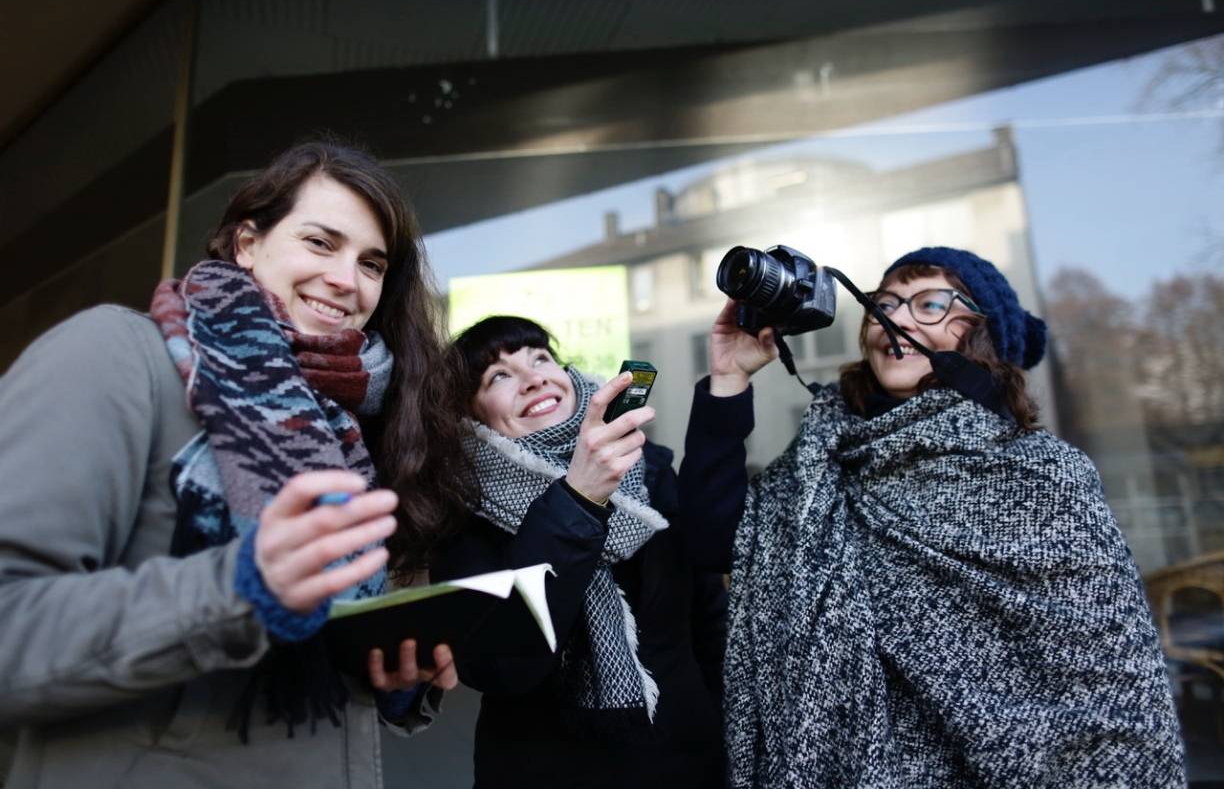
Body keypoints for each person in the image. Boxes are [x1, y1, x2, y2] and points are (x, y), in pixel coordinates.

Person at [0, 141, 472, 788]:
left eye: (372, 262)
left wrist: (385, 674)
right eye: (320, 242)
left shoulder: (350, 423)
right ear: (247, 243)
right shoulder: (115, 356)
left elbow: (309, 651)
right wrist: (239, 591)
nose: (346, 279)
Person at [679, 247, 1185, 788]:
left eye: (930, 304)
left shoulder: (1042, 475)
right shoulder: (823, 461)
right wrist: (728, 378)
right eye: (884, 304)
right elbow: (711, 543)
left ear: (985, 334)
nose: (895, 319)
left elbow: (1103, 689)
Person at [433, 316, 727, 789]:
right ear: (473, 415)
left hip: (685, 759)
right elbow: (497, 665)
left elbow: (710, 623)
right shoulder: (461, 511)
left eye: (541, 357)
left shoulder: (648, 471)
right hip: (546, 769)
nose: (534, 378)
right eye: (499, 376)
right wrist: (579, 497)